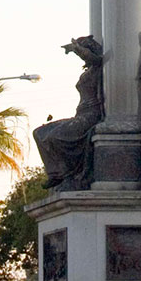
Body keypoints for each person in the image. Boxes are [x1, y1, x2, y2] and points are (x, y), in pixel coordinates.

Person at [34, 36, 104, 190]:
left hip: (91, 115)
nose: (81, 56)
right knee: (39, 133)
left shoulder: (100, 67)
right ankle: (55, 174)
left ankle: (66, 172)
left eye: (83, 52)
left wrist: (77, 48)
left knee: (55, 136)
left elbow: (97, 59)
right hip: (80, 115)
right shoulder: (88, 71)